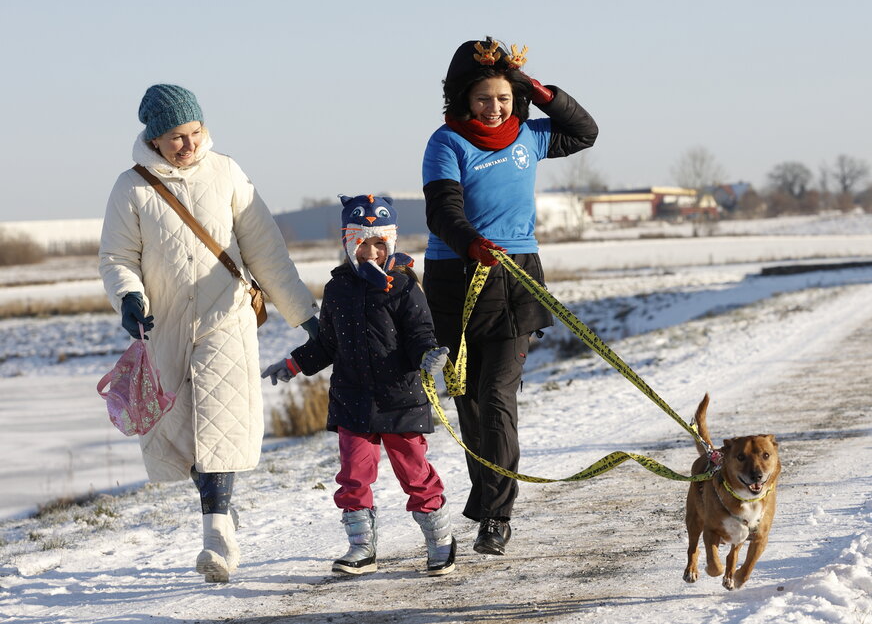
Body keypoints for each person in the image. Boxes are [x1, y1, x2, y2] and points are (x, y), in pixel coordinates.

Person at [99, 84, 319, 583]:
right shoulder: (129, 187)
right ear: (154, 139)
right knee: (182, 429)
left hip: (227, 316)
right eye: (176, 137)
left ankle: (216, 534)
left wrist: (305, 316)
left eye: (195, 131)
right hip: (165, 326)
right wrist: (129, 297)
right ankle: (218, 508)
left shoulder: (227, 172)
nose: (189, 144)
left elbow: (267, 252)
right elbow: (116, 259)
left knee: (220, 419)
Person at [421, 37, 598, 555]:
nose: (494, 108)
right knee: (469, 398)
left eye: (503, 97)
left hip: (516, 276)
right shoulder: (445, 143)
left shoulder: (529, 136)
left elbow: (584, 132)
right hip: (457, 274)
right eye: (483, 99)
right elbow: (441, 210)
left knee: (497, 396)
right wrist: (470, 241)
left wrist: (539, 91)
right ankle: (489, 497)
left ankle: (496, 517)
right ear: (461, 99)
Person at [261, 194, 457, 577]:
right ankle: (361, 547)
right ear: (348, 243)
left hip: (401, 399)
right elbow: (327, 344)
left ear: (391, 244)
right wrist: (294, 363)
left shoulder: (403, 289)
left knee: (415, 475)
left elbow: (421, 335)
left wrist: (430, 356)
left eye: (379, 244)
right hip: (352, 401)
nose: (370, 252)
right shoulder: (338, 290)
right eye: (362, 243)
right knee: (353, 475)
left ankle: (440, 540)